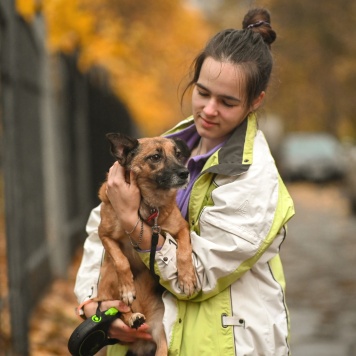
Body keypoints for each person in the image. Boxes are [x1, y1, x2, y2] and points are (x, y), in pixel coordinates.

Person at [74, 7, 295, 356]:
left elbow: (195, 279)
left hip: (220, 346)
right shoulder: (167, 146)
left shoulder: (254, 181)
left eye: (227, 102)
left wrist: (133, 222)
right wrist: (94, 304)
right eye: (203, 92)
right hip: (145, 336)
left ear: (255, 102)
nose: (208, 109)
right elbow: (100, 226)